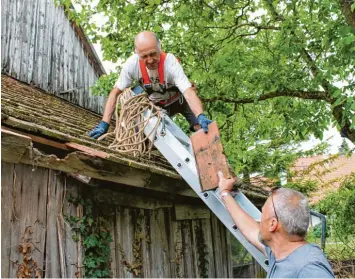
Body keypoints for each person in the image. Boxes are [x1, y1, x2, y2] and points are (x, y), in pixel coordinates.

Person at [89, 31, 212, 139]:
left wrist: (200, 115)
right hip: (159, 106)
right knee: (150, 135)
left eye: (153, 54)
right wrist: (104, 123)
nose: (150, 60)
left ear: (160, 48)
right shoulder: (132, 65)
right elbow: (115, 93)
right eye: (144, 56)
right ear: (137, 53)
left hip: (180, 101)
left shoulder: (170, 63)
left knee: (202, 127)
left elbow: (188, 92)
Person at [217, 171, 335, 278]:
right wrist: (225, 193)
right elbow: (250, 229)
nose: (260, 220)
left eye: (262, 213)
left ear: (273, 224)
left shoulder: (310, 269)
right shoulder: (279, 252)